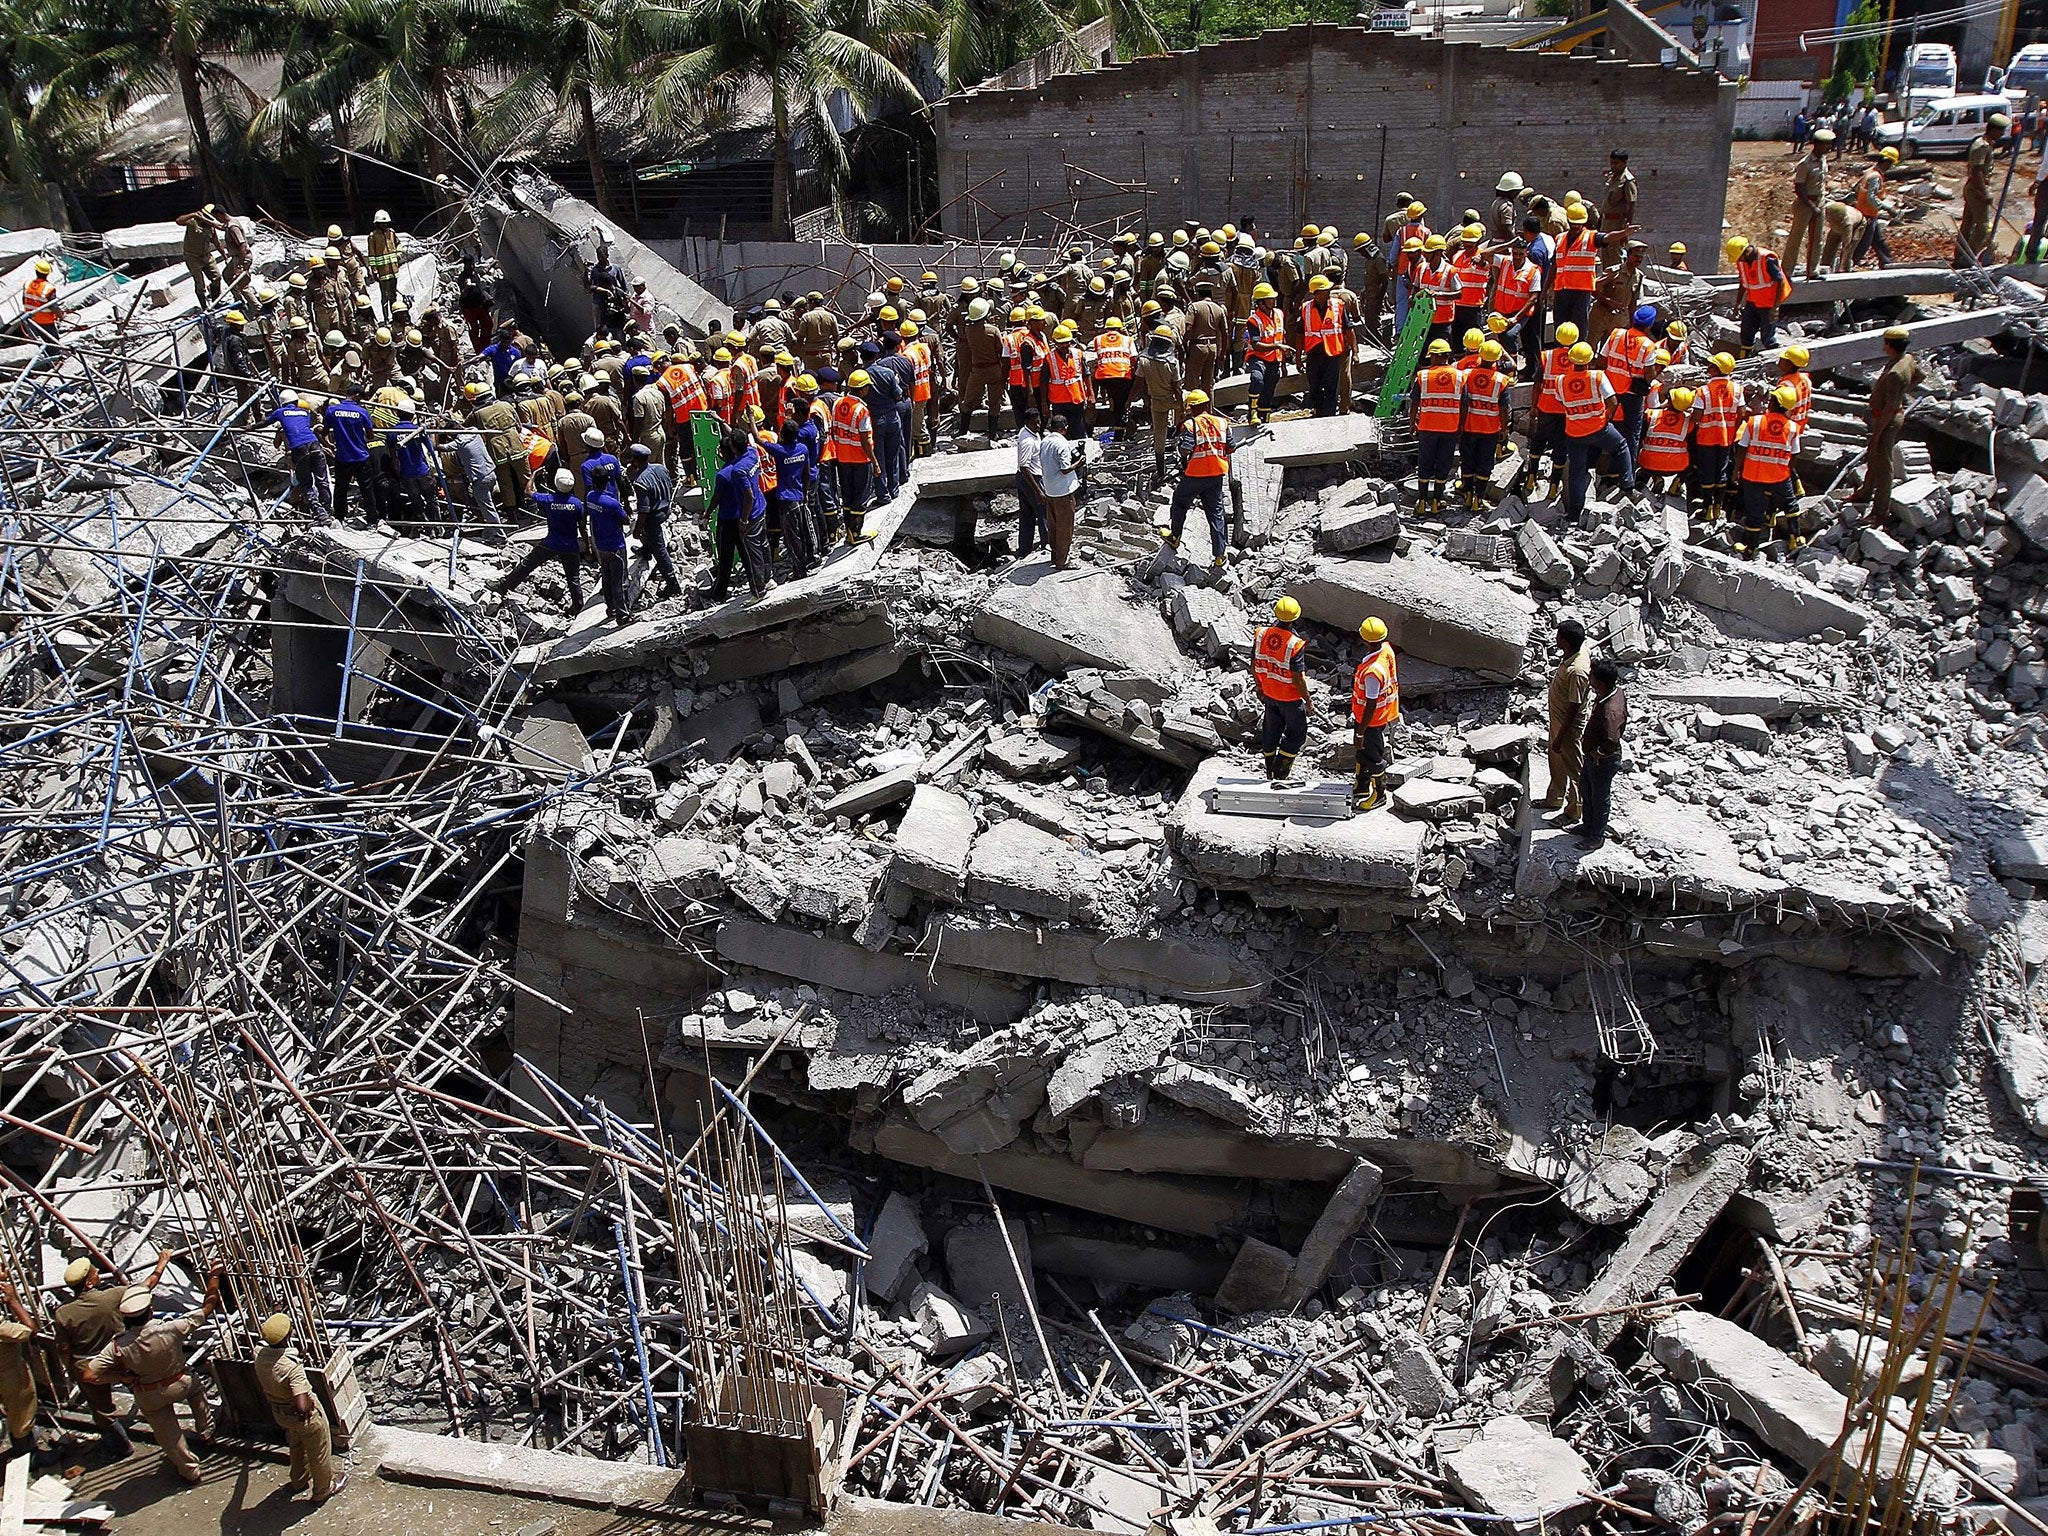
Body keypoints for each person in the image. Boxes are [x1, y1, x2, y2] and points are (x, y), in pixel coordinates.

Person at [82, 1272, 223, 1485]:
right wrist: (214, 1276)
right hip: (179, 1382)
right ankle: (206, 1431)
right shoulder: (169, 1328)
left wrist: (123, 1377)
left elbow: (89, 1374)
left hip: (148, 1392)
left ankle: (190, 1471)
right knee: (197, 1391)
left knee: (168, 1435)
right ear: (150, 1311)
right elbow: (208, 1306)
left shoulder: (118, 1345)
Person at [54, 1257, 143, 1457]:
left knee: (102, 1409)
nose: (98, 1273)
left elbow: (64, 1347)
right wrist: (162, 1263)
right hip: (118, 1355)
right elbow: (142, 1289)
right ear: (88, 1282)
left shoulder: (63, 1313)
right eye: (95, 1272)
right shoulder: (111, 1297)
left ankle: (121, 1445)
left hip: (87, 1363)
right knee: (140, 1384)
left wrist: (70, 1367)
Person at [255, 1315, 345, 1502]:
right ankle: (323, 1490)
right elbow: (302, 1404)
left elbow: (269, 1336)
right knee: (318, 1451)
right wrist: (308, 1405)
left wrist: (277, 1313)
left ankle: (299, 1480)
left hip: (280, 1414)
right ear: (289, 1335)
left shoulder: (259, 1354)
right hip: (303, 1417)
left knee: (296, 1445)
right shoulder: (290, 1366)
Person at [1557, 341, 1635, 517]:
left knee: (1577, 470)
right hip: (1599, 428)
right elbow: (1613, 401)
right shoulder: (1597, 376)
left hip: (1574, 432)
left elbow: (1561, 401)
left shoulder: (1560, 381)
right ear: (1588, 361)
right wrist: (1605, 417)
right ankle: (1628, 486)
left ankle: (1575, 512)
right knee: (1621, 447)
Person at [494, 470, 586, 615]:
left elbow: (528, 492)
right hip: (570, 546)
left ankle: (504, 587)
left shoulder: (549, 499)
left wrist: (534, 474)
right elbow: (582, 527)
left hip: (551, 543)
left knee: (527, 564)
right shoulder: (577, 504)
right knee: (573, 579)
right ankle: (578, 608)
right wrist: (587, 546)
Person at [1163, 389, 1231, 574]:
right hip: (1216, 475)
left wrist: (1182, 451)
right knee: (1216, 513)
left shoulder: (1190, 425)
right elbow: (1230, 447)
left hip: (1195, 475)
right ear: (1207, 404)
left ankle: (1175, 536)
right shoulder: (1222, 422)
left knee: (1179, 502)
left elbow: (1186, 449)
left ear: (1191, 408)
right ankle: (1219, 555)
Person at [1734, 384, 1804, 555]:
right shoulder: (1793, 428)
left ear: (1773, 403)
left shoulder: (1755, 422)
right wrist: (1786, 470)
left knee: (1754, 510)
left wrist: (1736, 469)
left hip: (1754, 474)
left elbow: (1742, 448)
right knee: (1790, 504)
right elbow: (1795, 453)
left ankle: (1751, 547)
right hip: (1779, 475)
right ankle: (1795, 538)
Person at [1253, 597, 1315, 783]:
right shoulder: (1294, 644)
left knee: (1271, 732)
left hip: (1269, 694)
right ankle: (1281, 773)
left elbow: (1254, 663)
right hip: (1290, 699)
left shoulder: (1261, 634)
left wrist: (1259, 686)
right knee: (1296, 735)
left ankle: (1270, 771)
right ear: (1295, 617)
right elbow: (1297, 677)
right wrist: (1308, 700)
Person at [1536, 618, 1591, 824]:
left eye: (1559, 636)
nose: (1555, 638)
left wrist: (1561, 735)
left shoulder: (1577, 671)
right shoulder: (1576, 652)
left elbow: (1574, 706)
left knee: (1573, 766)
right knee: (1556, 759)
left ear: (1565, 642)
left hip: (1567, 726)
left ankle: (1574, 811)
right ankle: (1555, 798)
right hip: (1558, 720)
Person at [711, 426, 774, 601]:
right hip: (757, 510)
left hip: (741, 517)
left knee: (737, 555)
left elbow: (745, 496)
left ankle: (756, 590)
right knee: (760, 548)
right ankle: (767, 579)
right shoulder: (752, 454)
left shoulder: (729, 473)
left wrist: (743, 520)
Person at [1348, 617, 1398, 812]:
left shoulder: (1372, 672)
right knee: (1363, 753)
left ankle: (1379, 795)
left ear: (1364, 639)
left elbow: (1371, 703)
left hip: (1371, 720)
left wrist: (1360, 731)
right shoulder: (1386, 649)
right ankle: (1361, 785)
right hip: (1379, 715)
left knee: (1373, 757)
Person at [1576, 657, 1627, 848]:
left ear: (1599, 681)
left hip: (1602, 761)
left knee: (1599, 797)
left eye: (1592, 676)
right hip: (1592, 757)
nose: (1589, 677)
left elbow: (1612, 740)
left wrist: (1598, 752)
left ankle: (1596, 836)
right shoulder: (1614, 693)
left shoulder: (1610, 711)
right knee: (1586, 789)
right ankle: (1587, 825)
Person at [1411, 337, 1462, 517]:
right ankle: (1437, 501)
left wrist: (1412, 424)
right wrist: (1461, 426)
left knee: (1425, 463)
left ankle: (1422, 501)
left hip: (1427, 427)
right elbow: (1465, 404)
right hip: (1449, 428)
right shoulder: (1460, 376)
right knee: (1443, 464)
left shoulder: (1423, 376)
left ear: (1433, 356)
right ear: (1447, 356)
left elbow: (1414, 402)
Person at [1459, 338, 1510, 513]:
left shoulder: (1467, 374)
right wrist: (1504, 428)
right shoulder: (1500, 380)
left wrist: (1460, 424)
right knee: (1485, 463)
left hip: (1469, 427)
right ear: (1496, 359)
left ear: (1480, 356)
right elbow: (1504, 408)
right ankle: (1478, 498)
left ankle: (1467, 494)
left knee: (1467, 461)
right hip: (1489, 429)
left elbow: (1463, 402)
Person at [627, 443, 683, 599]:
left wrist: (637, 530)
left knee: (659, 549)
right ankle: (646, 549)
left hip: (653, 516)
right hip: (666, 509)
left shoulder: (640, 482)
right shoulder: (660, 468)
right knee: (650, 537)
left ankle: (672, 583)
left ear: (635, 460)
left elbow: (644, 510)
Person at [830, 369, 878, 542]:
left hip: (843, 458)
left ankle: (849, 531)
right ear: (863, 389)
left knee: (848, 496)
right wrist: (875, 462)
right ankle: (856, 533)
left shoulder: (837, 404)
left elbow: (835, 430)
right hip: (860, 459)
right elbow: (865, 440)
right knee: (861, 496)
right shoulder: (861, 410)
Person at [1957, 112, 2010, 266]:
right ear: (1993, 130)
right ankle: (1969, 258)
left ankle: (1960, 256)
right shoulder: (1982, 146)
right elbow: (1976, 171)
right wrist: (1985, 193)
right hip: (1976, 189)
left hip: (1974, 188)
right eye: (2000, 131)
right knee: (1982, 226)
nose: (2001, 134)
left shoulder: (1985, 143)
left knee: (1967, 225)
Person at [272, 392, 333, 521]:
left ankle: (318, 512)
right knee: (322, 480)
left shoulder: (282, 420)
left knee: (303, 483)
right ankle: (327, 509)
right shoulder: (305, 415)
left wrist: (248, 427)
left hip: (296, 454)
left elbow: (276, 444)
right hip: (314, 447)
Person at [322, 386, 377, 525]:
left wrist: (329, 442)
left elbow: (324, 432)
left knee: (341, 489)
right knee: (367, 490)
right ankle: (372, 520)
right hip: (361, 456)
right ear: (357, 395)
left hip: (343, 457)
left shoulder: (332, 410)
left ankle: (339, 518)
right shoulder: (362, 412)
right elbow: (371, 436)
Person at [1725, 236, 1788, 353]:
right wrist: (1738, 303)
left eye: (1740, 258)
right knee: (1746, 333)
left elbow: (1780, 282)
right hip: (1752, 301)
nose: (1739, 261)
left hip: (1768, 304)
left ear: (1746, 251)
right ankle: (1744, 359)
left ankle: (1774, 361)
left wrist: (1775, 308)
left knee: (1768, 338)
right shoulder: (1742, 261)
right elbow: (1743, 281)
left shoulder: (1767, 258)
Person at [584, 465, 631, 622]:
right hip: (615, 545)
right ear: (607, 481)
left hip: (601, 544)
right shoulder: (611, 503)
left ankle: (610, 608)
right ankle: (623, 615)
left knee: (607, 576)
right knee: (620, 581)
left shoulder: (590, 497)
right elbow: (626, 520)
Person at [1038, 413, 1084, 569]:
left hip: (1050, 489)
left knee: (1053, 525)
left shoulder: (1044, 441)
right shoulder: (1062, 444)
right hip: (1063, 492)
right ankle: (1062, 561)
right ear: (1065, 428)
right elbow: (1065, 469)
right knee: (1065, 527)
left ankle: (1055, 555)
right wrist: (1078, 463)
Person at [1300, 273, 1350, 416]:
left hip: (1332, 354)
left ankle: (1329, 414)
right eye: (1325, 290)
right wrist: (1298, 357)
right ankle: (1318, 411)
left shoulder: (1338, 305)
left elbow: (1348, 328)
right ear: (1316, 293)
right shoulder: (1306, 308)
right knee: (1315, 386)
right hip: (1313, 354)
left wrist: (1355, 350)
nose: (1329, 292)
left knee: (1331, 387)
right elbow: (1300, 333)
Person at [0, 1281, 39, 1464]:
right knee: (22, 1414)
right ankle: (28, 1456)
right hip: (9, 1375)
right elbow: (30, 1330)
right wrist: (14, 1301)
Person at [1787, 128, 1832, 280]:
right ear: (1818, 145)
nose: (1829, 147)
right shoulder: (1805, 164)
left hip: (1819, 201)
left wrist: (1821, 203)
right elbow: (1799, 188)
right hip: (1805, 204)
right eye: (1826, 144)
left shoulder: (1823, 160)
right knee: (1796, 238)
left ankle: (1813, 271)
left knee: (1817, 239)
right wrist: (1812, 206)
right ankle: (1787, 272)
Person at [1636, 385, 1695, 498]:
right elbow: (1692, 447)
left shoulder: (1651, 414)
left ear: (1669, 401)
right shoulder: (1689, 422)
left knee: (1646, 451)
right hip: (1677, 467)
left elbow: (1639, 438)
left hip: (1647, 464)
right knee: (1695, 457)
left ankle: (1655, 477)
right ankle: (1676, 484)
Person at [1013, 406, 1050, 558]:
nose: (1039, 425)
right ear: (1028, 422)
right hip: (1031, 478)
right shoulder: (1028, 440)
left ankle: (1024, 550)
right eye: (1035, 422)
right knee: (1044, 513)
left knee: (1027, 515)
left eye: (1040, 422)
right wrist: (1038, 490)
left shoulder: (1030, 432)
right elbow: (1024, 467)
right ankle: (1047, 546)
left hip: (1027, 477)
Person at [367, 209, 402, 315]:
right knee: (385, 297)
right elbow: (372, 255)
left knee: (393, 295)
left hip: (393, 270)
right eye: (382, 223)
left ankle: (395, 315)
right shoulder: (373, 237)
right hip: (383, 272)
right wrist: (374, 270)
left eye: (386, 223)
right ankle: (386, 317)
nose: (384, 225)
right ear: (377, 224)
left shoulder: (391, 233)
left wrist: (398, 253)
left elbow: (398, 244)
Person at [21, 257, 59, 336]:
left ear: (36, 271)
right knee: (53, 345)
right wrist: (61, 316)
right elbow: (54, 307)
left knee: (37, 342)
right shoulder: (49, 288)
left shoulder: (27, 284)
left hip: (31, 320)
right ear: (47, 273)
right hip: (46, 322)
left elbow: (24, 301)